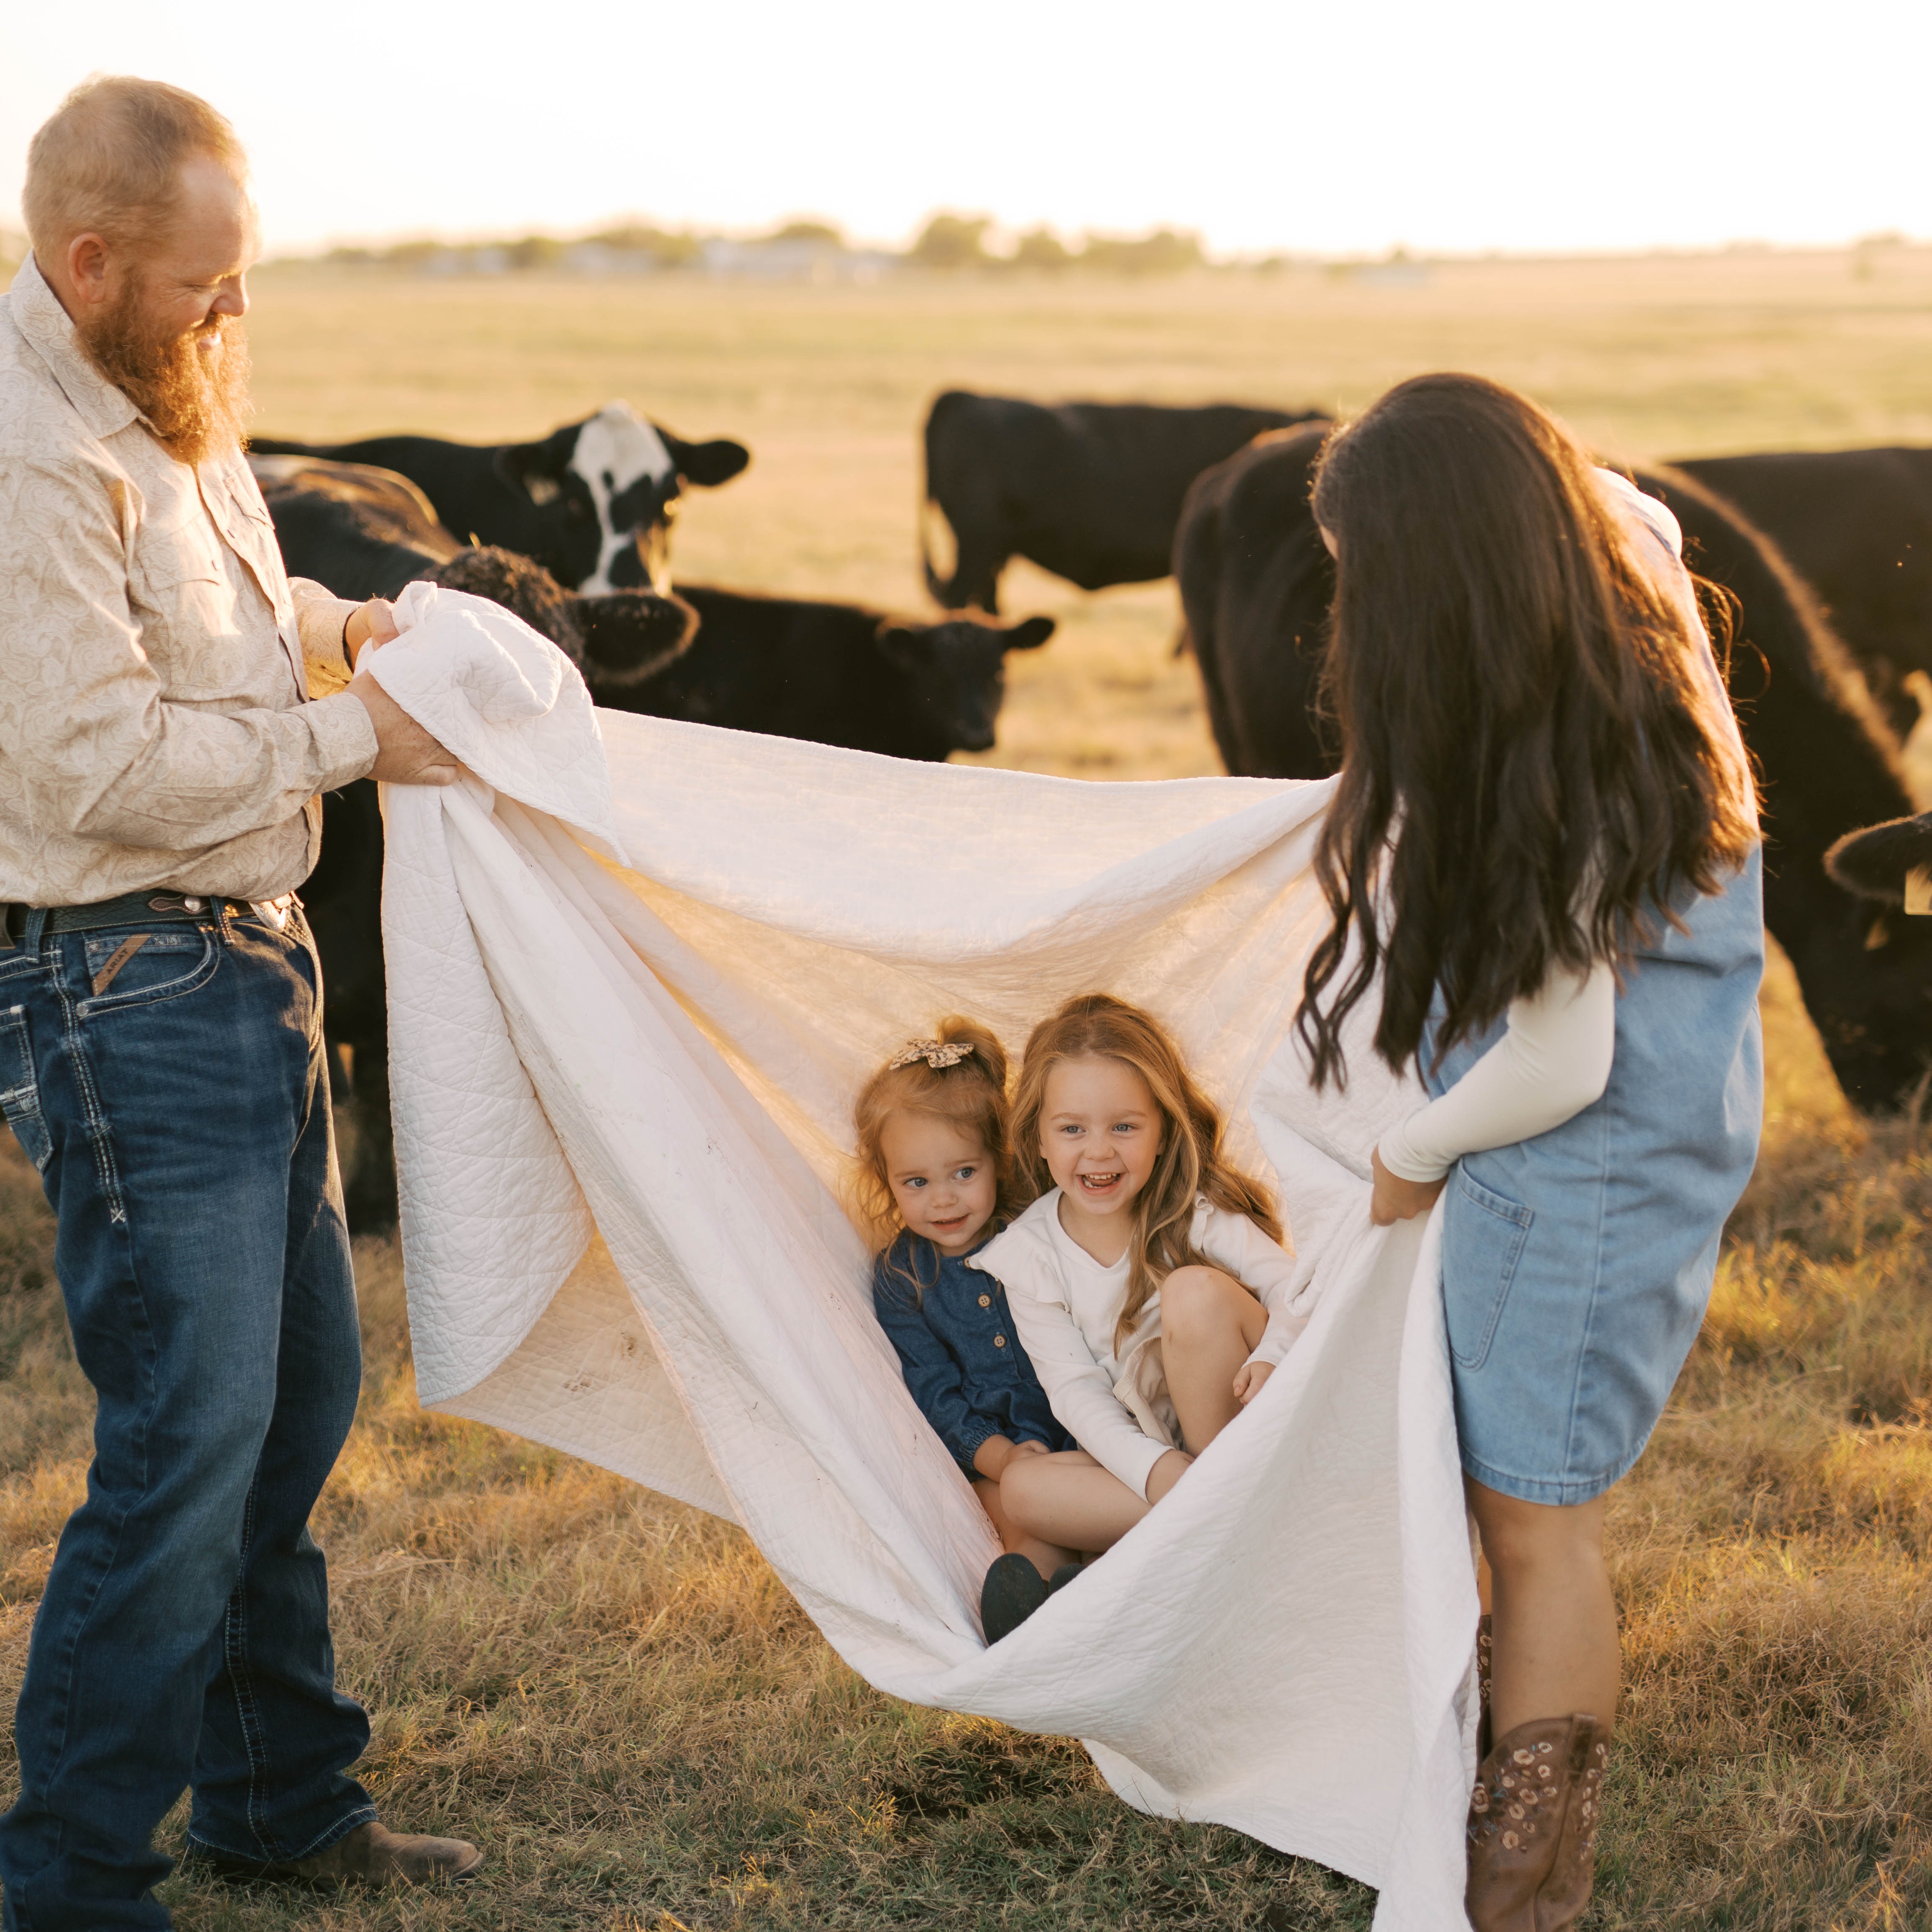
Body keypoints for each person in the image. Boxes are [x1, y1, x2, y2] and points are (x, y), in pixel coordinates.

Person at [0, 77, 475, 1930]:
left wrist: (346, 632)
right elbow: (95, 759)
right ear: (89, 259)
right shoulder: (28, 456)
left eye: (244, 280)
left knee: (289, 1413)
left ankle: (278, 1800)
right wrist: (368, 736)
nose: (234, 318)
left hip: (246, 948)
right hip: (120, 973)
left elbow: (242, 601)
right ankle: (66, 1884)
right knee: (189, 1436)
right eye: (206, 285)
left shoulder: (162, 391)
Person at [1297, 373, 1762, 1929]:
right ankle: (1484, 1759)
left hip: (1579, 1160)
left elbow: (1562, 1054)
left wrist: (1411, 1152)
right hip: (1620, 1136)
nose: (1357, 614)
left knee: (1533, 1515)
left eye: (1369, 577)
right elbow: (1630, 502)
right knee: (1504, 1491)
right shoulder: (1610, 586)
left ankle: (1524, 1873)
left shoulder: (1558, 741)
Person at [968, 993, 1309, 1636]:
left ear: (1163, 1131)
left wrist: (1271, 1354)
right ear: (1037, 1137)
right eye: (1073, 1129)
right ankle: (1213, 1532)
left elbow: (1299, 1292)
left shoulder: (1195, 1209)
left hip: (1239, 1433)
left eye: (1124, 1127)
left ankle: (1190, 1535)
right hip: (1157, 1459)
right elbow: (1076, 1393)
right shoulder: (1029, 1257)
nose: (1099, 1153)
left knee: (1193, 1293)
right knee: (1024, 1489)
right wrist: (1157, 1473)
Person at [857, 1021, 1080, 1632]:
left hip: (1083, 1432)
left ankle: (1077, 1600)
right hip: (987, 1458)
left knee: (1068, 1505)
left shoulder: (1035, 1228)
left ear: (998, 1159)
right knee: (1015, 1516)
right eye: (916, 1183)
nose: (944, 1201)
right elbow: (934, 1392)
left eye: (963, 1173)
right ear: (887, 1182)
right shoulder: (904, 1276)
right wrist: (1002, 1456)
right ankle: (1045, 1609)